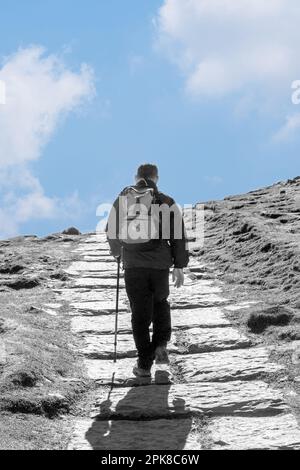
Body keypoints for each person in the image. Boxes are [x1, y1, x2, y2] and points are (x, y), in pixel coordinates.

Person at [106, 163, 189, 378]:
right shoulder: (166, 201)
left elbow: (111, 229)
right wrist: (179, 265)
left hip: (134, 265)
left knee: (139, 313)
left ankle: (144, 364)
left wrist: (118, 253)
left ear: (136, 177)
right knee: (160, 303)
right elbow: (178, 234)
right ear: (156, 178)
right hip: (160, 265)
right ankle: (161, 344)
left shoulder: (123, 198)